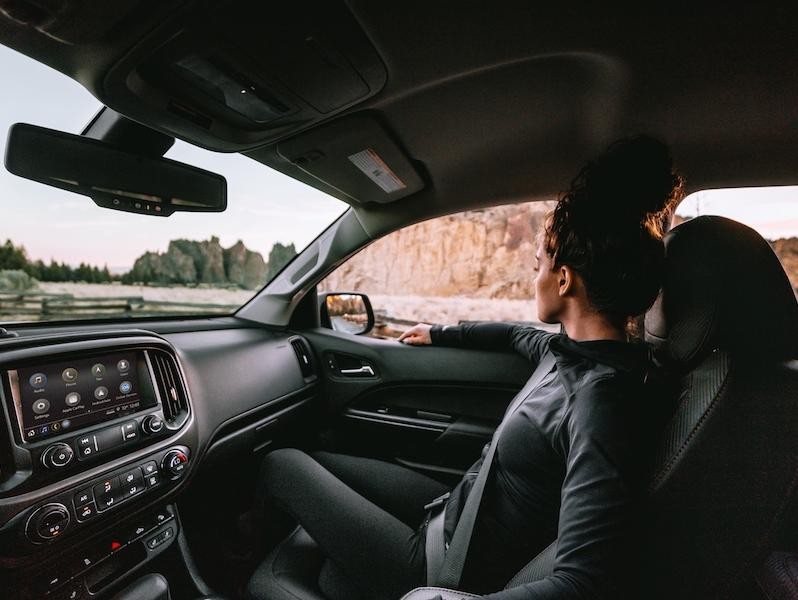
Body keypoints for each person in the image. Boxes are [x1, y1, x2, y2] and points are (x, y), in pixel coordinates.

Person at [256, 135, 684, 600]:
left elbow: (583, 581)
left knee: (282, 463)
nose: (533, 275)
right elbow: (512, 335)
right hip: (452, 515)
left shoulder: (602, 400)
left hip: (441, 568)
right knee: (322, 464)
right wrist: (439, 333)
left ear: (564, 279)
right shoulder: (573, 353)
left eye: (539, 264)